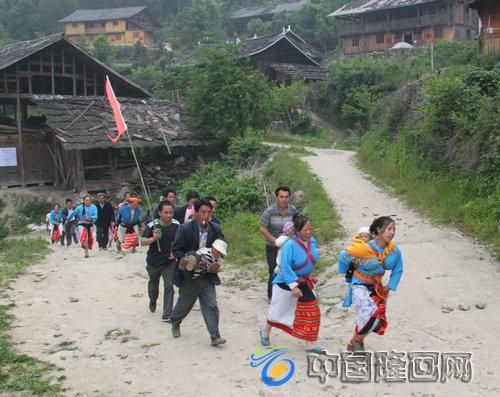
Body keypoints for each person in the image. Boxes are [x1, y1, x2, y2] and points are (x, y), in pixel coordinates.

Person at [260, 214, 325, 354]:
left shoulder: (312, 241)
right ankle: (265, 332)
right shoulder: (289, 245)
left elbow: (310, 259)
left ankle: (309, 344)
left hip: (303, 280)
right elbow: (285, 266)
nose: (308, 232)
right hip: (285, 281)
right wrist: (293, 286)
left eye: (310, 229)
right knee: (277, 311)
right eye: (305, 230)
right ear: (297, 230)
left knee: (312, 309)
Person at [338, 216, 403, 351]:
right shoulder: (363, 248)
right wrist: (344, 272)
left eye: (394, 229)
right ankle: (357, 343)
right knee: (369, 314)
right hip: (359, 285)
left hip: (377, 288)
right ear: (379, 229)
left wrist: (389, 287)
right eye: (389, 229)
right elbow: (344, 256)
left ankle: (356, 342)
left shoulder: (394, 251)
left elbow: (398, 269)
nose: (392, 233)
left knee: (375, 319)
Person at [170, 198, 226, 346]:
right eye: (203, 212)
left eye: (209, 212)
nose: (206, 215)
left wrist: (217, 263)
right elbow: (176, 248)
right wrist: (185, 259)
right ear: (195, 212)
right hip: (190, 274)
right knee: (185, 302)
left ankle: (215, 336)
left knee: (211, 304)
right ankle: (175, 321)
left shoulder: (216, 229)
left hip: (207, 274)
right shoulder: (185, 228)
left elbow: (222, 248)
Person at [141, 200, 180, 322]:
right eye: (166, 212)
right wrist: (153, 238)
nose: (169, 215)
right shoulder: (153, 225)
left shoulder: (176, 224)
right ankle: (153, 300)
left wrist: (175, 251)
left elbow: (179, 241)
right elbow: (142, 241)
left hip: (169, 262)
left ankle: (167, 313)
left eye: (171, 212)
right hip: (153, 261)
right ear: (159, 212)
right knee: (153, 286)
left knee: (169, 286)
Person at [259, 187, 296, 300]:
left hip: (289, 245)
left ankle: (287, 292)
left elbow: (298, 224)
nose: (284, 199)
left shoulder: (293, 210)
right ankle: (272, 296)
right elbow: (262, 228)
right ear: (276, 197)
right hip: (272, 246)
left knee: (289, 268)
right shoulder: (269, 211)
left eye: (286, 197)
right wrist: (275, 240)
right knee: (273, 269)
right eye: (281, 197)